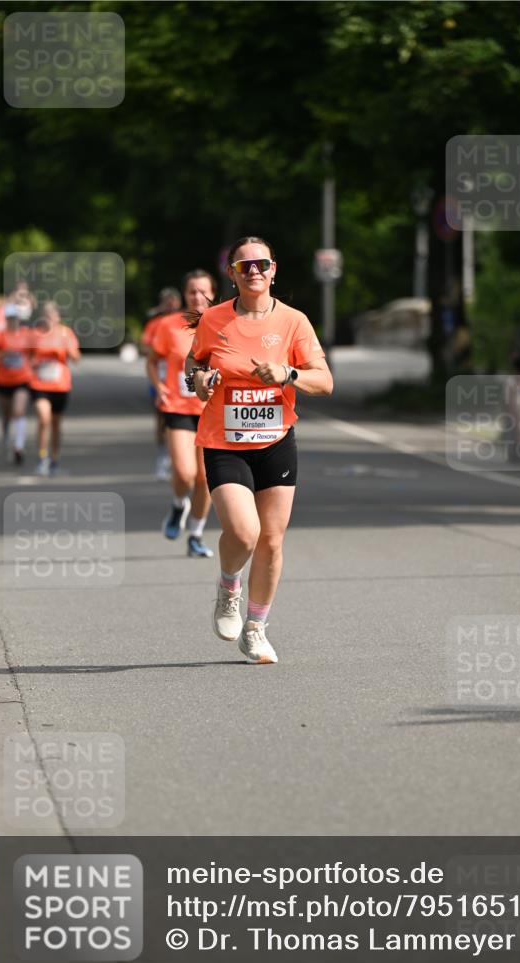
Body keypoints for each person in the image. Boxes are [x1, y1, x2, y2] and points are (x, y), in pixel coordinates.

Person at [187, 236, 333, 664]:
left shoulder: (293, 322)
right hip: (223, 441)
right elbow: (195, 364)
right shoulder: (214, 320)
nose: (254, 271)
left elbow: (324, 381)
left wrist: (288, 374)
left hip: (275, 440)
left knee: (271, 539)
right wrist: (198, 381)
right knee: (245, 532)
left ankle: (256, 628)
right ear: (231, 273)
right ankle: (229, 585)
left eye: (262, 264)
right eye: (244, 266)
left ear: (274, 270)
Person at [147, 271, 215, 557]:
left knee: (205, 479)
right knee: (185, 474)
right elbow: (152, 361)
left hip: (213, 410)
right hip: (178, 407)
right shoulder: (167, 325)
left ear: (213, 293)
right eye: (191, 292)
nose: (197, 297)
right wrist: (158, 385)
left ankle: (196, 534)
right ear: (184, 295)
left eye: (203, 291)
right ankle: (178, 505)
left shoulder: (225, 323)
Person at [29, 301, 80, 476]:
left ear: (58, 317)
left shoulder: (66, 333)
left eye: (52, 315)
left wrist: (66, 347)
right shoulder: (36, 334)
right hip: (39, 383)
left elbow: (76, 357)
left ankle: (55, 458)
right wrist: (34, 363)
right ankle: (42, 457)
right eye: (46, 315)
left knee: (56, 424)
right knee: (44, 419)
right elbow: (28, 356)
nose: (49, 318)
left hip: (60, 385)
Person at [141, 287, 182, 480]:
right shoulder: (155, 323)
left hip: (181, 378)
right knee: (161, 419)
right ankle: (162, 457)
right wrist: (160, 347)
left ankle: (178, 459)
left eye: (174, 300)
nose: (171, 304)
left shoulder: (187, 322)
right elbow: (144, 347)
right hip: (161, 375)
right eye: (167, 301)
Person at [0, 304, 33, 463]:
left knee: (19, 411)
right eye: (10, 318)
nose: (12, 321)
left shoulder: (26, 334)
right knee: (7, 415)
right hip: (2, 380)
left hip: (22, 379)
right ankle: (6, 439)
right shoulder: (0, 335)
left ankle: (19, 447)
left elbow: (35, 352)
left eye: (15, 318)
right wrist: (2, 353)